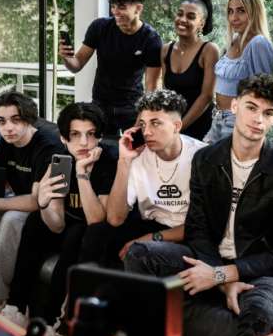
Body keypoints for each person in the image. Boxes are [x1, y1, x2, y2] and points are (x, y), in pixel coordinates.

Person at [125, 74, 273, 336]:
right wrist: (221, 280)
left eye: (268, 113)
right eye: (251, 107)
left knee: (258, 319)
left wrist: (224, 275)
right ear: (234, 106)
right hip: (209, 257)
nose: (258, 119)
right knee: (139, 254)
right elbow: (197, 229)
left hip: (260, 269)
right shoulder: (207, 159)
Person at [7, 102, 118, 323]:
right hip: (65, 225)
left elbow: (96, 220)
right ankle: (16, 306)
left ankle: (52, 320)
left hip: (91, 232)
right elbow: (56, 224)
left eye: (91, 134)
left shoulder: (109, 160)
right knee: (34, 221)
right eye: (75, 135)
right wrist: (44, 203)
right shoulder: (59, 159)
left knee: (76, 233)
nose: (84, 142)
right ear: (63, 138)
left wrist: (82, 174)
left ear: (100, 136)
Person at [0, 91, 65, 319]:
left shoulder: (47, 146)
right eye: (1, 121)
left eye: (15, 120)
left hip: (41, 212)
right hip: (16, 201)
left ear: (28, 119)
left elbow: (37, 201)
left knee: (11, 217)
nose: (8, 128)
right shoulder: (7, 142)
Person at [79, 89, 206, 268]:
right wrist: (124, 161)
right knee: (96, 233)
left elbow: (204, 226)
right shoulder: (138, 154)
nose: (147, 132)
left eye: (155, 123)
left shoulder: (202, 156)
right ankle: (83, 286)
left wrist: (151, 238)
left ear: (177, 126)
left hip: (189, 233)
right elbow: (115, 218)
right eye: (143, 124)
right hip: (151, 223)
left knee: (139, 251)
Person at [59, 0, 163, 137]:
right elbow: (76, 65)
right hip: (100, 104)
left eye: (121, 7)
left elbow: (152, 87)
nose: (115, 12)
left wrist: (142, 120)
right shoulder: (99, 27)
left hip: (131, 107)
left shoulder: (151, 39)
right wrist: (66, 58)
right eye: (113, 6)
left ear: (138, 8)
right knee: (100, 148)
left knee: (134, 148)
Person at [205, 0, 273, 143]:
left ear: (254, 12)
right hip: (218, 118)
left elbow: (266, 94)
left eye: (241, 11)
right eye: (230, 11)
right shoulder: (234, 40)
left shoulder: (258, 43)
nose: (234, 17)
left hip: (239, 121)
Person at [161, 0, 219, 140]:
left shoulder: (209, 50)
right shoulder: (166, 49)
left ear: (201, 23)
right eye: (180, 14)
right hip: (173, 127)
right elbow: (166, 92)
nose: (182, 20)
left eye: (191, 17)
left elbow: (207, 96)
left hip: (201, 130)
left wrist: (179, 127)